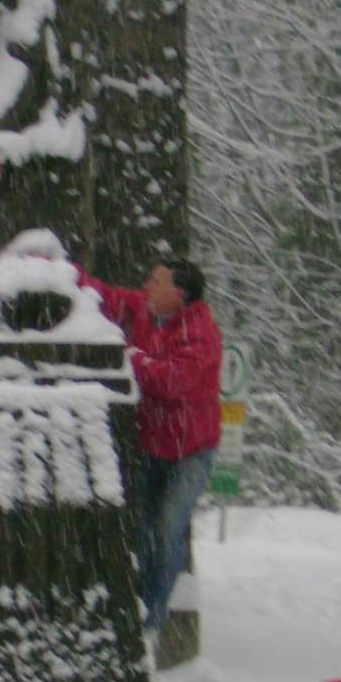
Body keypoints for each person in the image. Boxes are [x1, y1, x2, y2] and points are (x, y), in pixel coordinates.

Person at [79, 258, 222, 631]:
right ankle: (134, 610)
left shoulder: (200, 332)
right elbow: (105, 295)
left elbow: (172, 381)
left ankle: (150, 622)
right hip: (150, 443)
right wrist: (58, 269)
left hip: (191, 451)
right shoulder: (144, 310)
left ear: (179, 293)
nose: (146, 286)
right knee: (141, 535)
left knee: (166, 531)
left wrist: (131, 357)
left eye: (155, 281)